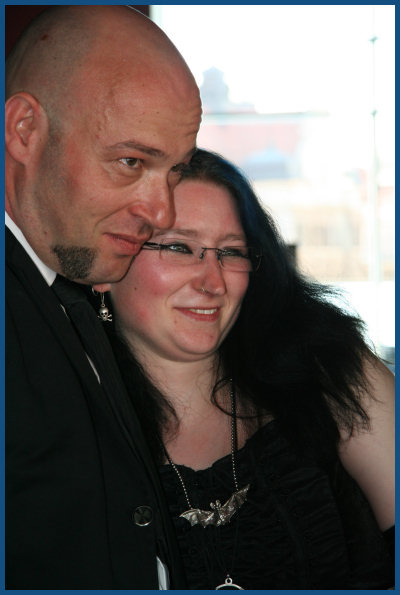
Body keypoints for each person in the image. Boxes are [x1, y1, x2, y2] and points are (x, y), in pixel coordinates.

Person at [94, 149, 395, 589]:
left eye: (231, 252)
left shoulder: (330, 367)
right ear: (108, 262)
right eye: (179, 247)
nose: (213, 282)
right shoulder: (62, 409)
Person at [5, 5, 201, 589]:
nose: (162, 212)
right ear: (24, 132)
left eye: (174, 171)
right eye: (130, 162)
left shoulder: (70, 287)